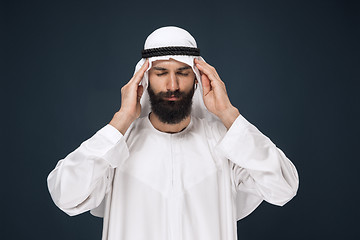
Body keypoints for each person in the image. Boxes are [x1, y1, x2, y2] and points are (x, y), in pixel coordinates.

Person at [47, 26, 299, 240]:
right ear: (144, 79)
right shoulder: (116, 147)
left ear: (197, 78)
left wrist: (228, 114)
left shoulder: (224, 143)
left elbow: (284, 188)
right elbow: (66, 195)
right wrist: (120, 122)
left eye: (182, 73)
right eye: (161, 73)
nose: (172, 86)